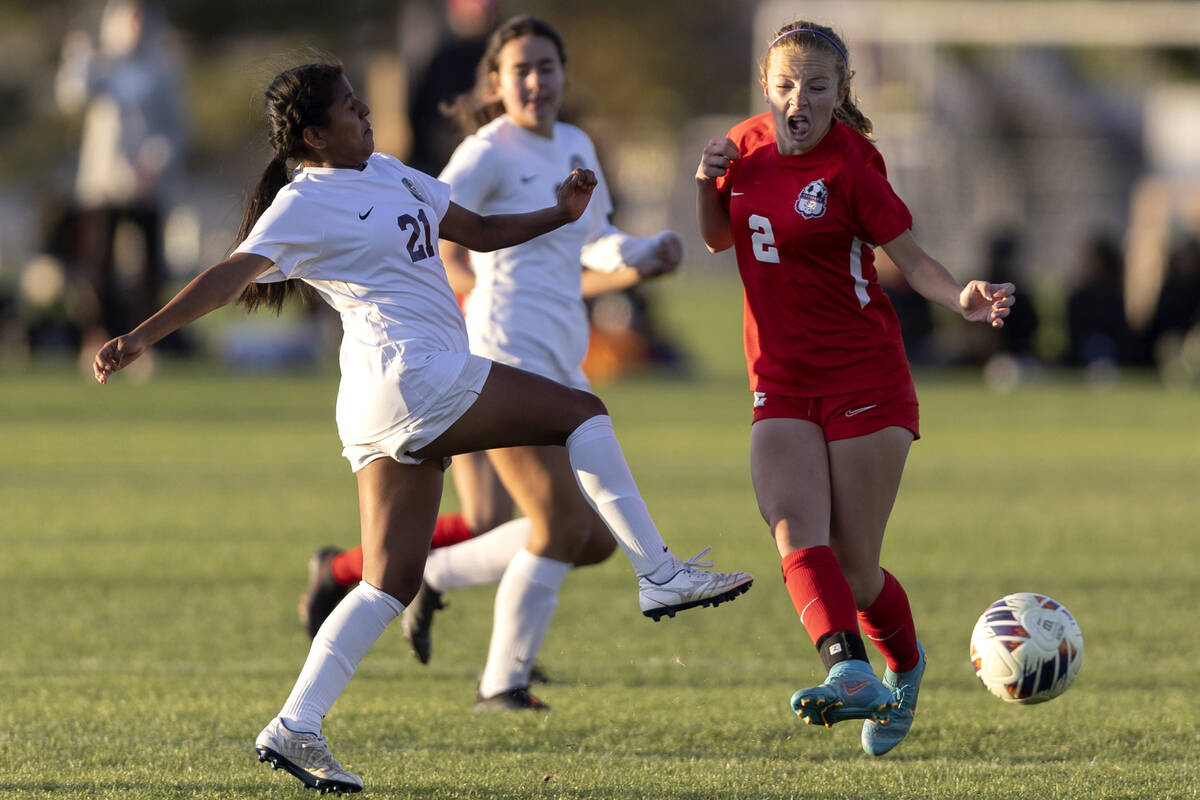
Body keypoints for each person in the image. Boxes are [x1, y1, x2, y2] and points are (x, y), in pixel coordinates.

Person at [93, 59, 752, 794]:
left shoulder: (394, 172)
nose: (365, 113)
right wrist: (141, 336)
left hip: (383, 398)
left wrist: (558, 216)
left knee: (390, 581)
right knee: (582, 412)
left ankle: (295, 726)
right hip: (414, 375)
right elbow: (228, 275)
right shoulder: (303, 201)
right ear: (314, 135)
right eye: (349, 108)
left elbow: (477, 230)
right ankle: (660, 573)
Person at [299, 16, 698, 713]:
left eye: (548, 67)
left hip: (556, 355)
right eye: (522, 70)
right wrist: (471, 290)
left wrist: (642, 256)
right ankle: (503, 680)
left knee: (578, 536)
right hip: (489, 353)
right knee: (557, 525)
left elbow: (593, 243)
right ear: (496, 82)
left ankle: (436, 580)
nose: (537, 81)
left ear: (565, 75)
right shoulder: (485, 153)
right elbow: (439, 225)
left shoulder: (576, 144)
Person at [695, 21, 1014, 757]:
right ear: (764, 88)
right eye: (784, 86)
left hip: (863, 377)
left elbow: (915, 259)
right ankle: (847, 669)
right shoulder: (743, 146)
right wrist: (704, 181)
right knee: (791, 529)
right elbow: (719, 237)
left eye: (815, 86)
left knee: (855, 565)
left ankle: (903, 666)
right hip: (779, 379)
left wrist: (959, 298)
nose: (797, 100)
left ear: (841, 92)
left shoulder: (854, 168)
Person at [55, 0, 186, 355]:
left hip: (148, 185)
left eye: (141, 19)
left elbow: (176, 128)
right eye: (129, 20)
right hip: (103, 183)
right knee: (99, 266)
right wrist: (77, 58)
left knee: (150, 270)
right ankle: (97, 337)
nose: (136, 27)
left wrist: (155, 160)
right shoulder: (101, 65)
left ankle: (145, 342)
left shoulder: (162, 69)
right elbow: (72, 98)